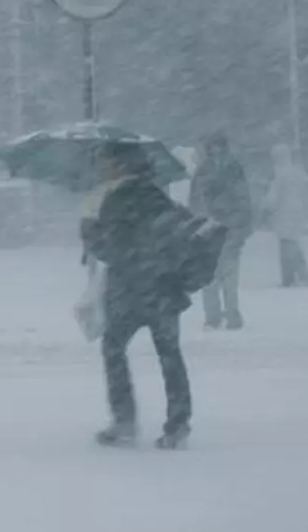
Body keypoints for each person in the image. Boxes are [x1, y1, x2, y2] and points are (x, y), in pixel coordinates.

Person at [81, 141, 193, 450]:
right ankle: (178, 423)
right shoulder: (157, 195)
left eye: (104, 160)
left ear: (120, 164)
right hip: (164, 288)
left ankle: (124, 420)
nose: (101, 166)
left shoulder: (116, 198)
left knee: (114, 348)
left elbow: (111, 249)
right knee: (169, 354)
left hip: (131, 290)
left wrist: (88, 229)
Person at [190, 132, 253, 330]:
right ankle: (226, 315)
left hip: (218, 226)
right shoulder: (228, 167)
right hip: (222, 226)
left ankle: (217, 316)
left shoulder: (213, 169)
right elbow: (243, 199)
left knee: (216, 275)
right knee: (224, 274)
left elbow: (196, 200)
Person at [263, 143, 308, 287]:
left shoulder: (280, 174)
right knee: (293, 244)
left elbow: (273, 197)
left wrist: (266, 207)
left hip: (284, 214)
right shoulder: (299, 172)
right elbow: (306, 194)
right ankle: (303, 274)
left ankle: (289, 278)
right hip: (298, 213)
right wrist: (305, 209)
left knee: (286, 247)